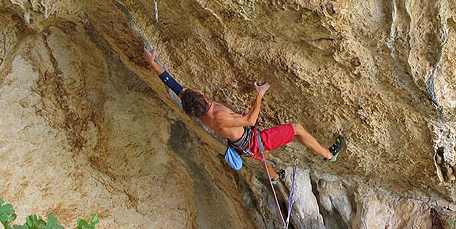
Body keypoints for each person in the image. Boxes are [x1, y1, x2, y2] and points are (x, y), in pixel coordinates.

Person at [144, 45, 344, 183]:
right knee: (297, 129)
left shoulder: (194, 108)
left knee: (260, 157)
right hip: (255, 140)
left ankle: (274, 178)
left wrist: (153, 63)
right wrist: (259, 95)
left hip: (241, 146)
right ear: (204, 98)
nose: (199, 90)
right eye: (200, 92)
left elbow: (173, 84)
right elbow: (250, 120)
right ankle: (329, 155)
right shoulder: (218, 116)